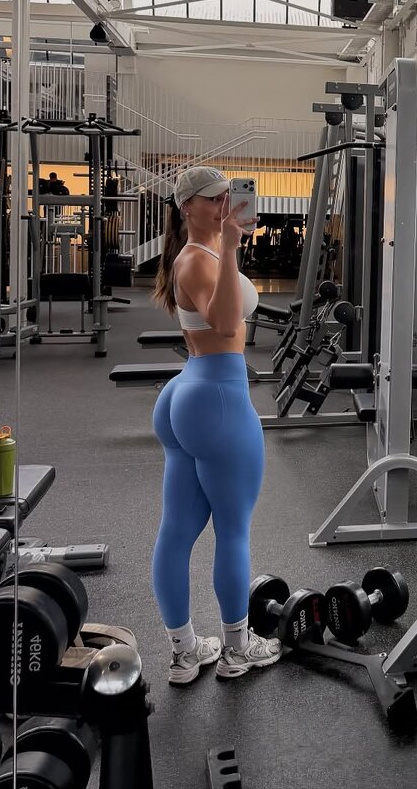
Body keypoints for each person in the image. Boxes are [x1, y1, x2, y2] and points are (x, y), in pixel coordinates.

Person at [150, 165, 279, 685]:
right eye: (214, 197)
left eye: (229, 194)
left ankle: (185, 654)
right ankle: (236, 650)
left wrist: (228, 246)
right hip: (218, 399)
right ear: (187, 207)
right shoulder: (200, 260)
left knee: (177, 530)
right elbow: (226, 324)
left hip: (190, 392)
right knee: (233, 530)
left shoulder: (197, 255)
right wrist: (229, 247)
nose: (226, 203)